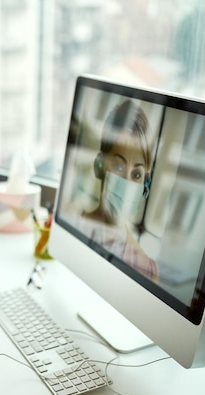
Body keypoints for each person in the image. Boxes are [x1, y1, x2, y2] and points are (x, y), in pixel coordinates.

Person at [81, 99, 159, 282]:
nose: (127, 181)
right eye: (118, 166)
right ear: (99, 166)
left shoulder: (146, 269)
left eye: (137, 175)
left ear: (145, 187)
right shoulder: (73, 226)